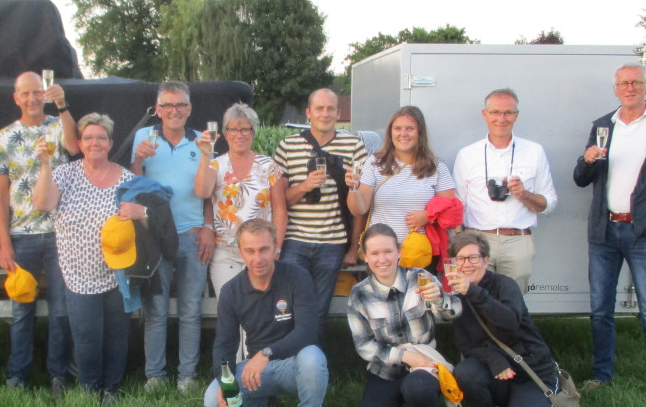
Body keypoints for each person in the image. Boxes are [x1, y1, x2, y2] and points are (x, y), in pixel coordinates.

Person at [573, 65, 646, 400]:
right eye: (623, 83)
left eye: (636, 82)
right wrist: (587, 160)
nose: (630, 87)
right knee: (600, 310)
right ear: (615, 89)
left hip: (643, 234)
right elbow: (581, 179)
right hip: (604, 230)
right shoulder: (603, 126)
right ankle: (602, 375)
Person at [33, 113, 135, 402]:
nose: (95, 142)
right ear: (79, 143)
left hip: (118, 272)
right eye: (88, 137)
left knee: (117, 335)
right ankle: (90, 390)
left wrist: (139, 213)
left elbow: (142, 220)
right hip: (77, 274)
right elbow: (44, 203)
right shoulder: (65, 173)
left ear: (110, 143)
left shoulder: (126, 178)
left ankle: (112, 389)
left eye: (101, 137)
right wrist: (45, 165)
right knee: (87, 337)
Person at [0, 71, 79, 396]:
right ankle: (18, 375)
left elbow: (74, 146)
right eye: (25, 93)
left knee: (61, 311)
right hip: (22, 235)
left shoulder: (57, 126)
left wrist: (63, 105)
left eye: (36, 92)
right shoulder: (5, 136)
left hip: (60, 233)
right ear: (16, 98)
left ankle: (58, 375)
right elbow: (0, 195)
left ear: (44, 94)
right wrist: (4, 242)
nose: (31, 98)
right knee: (21, 309)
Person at [203, 219, 329, 407]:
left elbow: (307, 331)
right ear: (240, 252)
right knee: (212, 403)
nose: (258, 258)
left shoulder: (297, 276)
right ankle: (265, 404)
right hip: (256, 372)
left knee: (313, 357)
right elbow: (224, 343)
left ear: (275, 247)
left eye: (264, 249)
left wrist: (266, 354)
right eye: (250, 251)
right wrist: (225, 382)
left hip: (294, 364)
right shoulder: (231, 291)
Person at [131, 82, 216, 392]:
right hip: (154, 236)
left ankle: (187, 377)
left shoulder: (202, 140)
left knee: (191, 310)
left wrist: (208, 227)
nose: (174, 111)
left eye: (180, 104)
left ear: (189, 109)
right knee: (155, 310)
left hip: (192, 235)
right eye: (167, 105)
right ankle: (155, 376)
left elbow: (211, 190)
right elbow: (133, 187)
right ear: (158, 109)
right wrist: (137, 160)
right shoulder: (144, 136)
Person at [444, 231, 560, 407]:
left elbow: (510, 322)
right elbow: (464, 344)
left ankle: (540, 399)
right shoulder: (459, 297)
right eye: (460, 259)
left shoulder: (505, 284)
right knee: (465, 372)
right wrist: (493, 359)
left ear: (485, 260)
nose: (466, 264)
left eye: (473, 258)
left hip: (530, 372)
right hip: (499, 374)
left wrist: (473, 292)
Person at [273, 88, 367, 344]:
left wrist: (353, 247)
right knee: (289, 306)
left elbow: (360, 205)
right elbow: (279, 201)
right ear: (308, 113)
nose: (325, 114)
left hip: (332, 242)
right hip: (295, 240)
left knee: (318, 308)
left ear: (338, 112)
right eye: (319, 108)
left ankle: (313, 360)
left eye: (330, 109)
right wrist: (305, 186)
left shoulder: (353, 146)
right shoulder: (288, 146)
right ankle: (287, 357)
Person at [347, 224, 460, 407]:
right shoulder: (359, 293)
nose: (382, 259)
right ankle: (392, 403)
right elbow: (363, 345)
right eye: (375, 253)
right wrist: (405, 356)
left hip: (424, 364)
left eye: (388, 251)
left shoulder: (420, 277)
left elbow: (452, 314)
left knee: (419, 389)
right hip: (385, 369)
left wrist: (439, 299)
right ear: (366, 257)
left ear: (399, 252)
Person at [452, 88, 557, 292]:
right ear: (485, 114)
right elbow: (458, 204)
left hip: (518, 241)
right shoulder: (467, 154)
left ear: (516, 115)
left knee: (513, 301)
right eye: (495, 112)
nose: (502, 119)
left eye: (508, 113)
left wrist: (523, 194)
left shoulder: (534, 152)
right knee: (474, 300)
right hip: (477, 240)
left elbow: (549, 203)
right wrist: (459, 243)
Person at [194, 102, 286, 297]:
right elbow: (202, 192)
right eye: (233, 129)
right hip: (226, 253)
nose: (239, 134)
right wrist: (205, 154)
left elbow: (280, 211)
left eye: (245, 129)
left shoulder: (269, 166)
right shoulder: (216, 165)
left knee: (260, 306)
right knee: (229, 306)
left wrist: (276, 249)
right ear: (226, 133)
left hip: (260, 252)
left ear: (253, 132)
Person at [348, 105, 456, 264]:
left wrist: (428, 216)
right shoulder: (374, 163)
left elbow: (452, 211)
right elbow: (358, 209)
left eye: (410, 128)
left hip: (419, 255)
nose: (403, 134)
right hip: (381, 254)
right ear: (390, 132)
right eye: (397, 128)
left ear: (420, 132)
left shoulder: (437, 167)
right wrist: (353, 188)